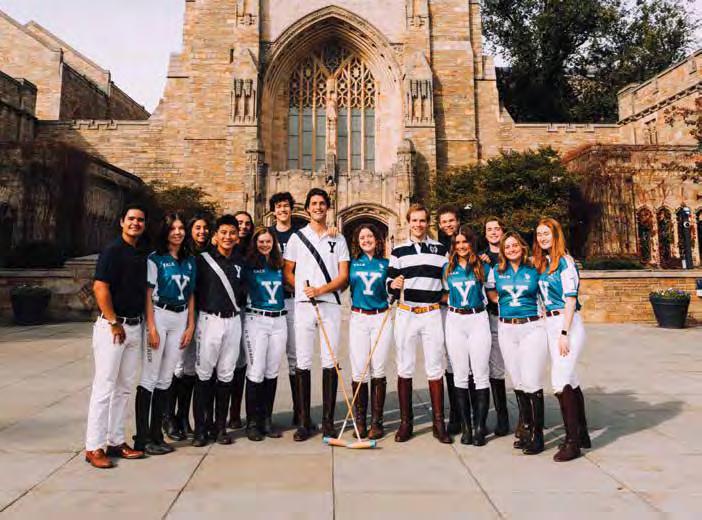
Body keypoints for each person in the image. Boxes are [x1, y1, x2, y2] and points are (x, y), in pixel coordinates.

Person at [84, 204, 148, 469]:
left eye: (140, 220)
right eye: (131, 219)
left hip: (134, 326)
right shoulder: (112, 250)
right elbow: (100, 287)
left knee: (124, 388)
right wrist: (113, 321)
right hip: (113, 327)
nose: (135, 223)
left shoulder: (140, 253)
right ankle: (94, 446)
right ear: (122, 221)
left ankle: (115, 440)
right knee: (104, 387)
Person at [283, 188, 350, 441]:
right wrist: (303, 290)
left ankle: (328, 421)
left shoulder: (338, 238)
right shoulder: (297, 237)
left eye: (322, 203)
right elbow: (288, 271)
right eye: (314, 203)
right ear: (307, 208)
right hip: (304, 305)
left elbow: (343, 276)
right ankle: (304, 422)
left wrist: (321, 290)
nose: (318, 207)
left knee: (329, 360)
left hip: (330, 304)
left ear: (328, 207)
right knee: (302, 360)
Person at [388, 203, 452, 444]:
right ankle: (406, 423)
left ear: (428, 222)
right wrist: (393, 285)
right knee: (405, 366)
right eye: (414, 220)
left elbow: (447, 284)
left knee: (435, 367)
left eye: (422, 220)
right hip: (406, 312)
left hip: (431, 313)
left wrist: (441, 297)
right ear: (408, 222)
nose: (418, 225)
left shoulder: (441, 250)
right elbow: (389, 282)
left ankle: (438, 423)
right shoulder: (398, 251)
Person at [135, 213, 196, 455]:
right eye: (173, 228)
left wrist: (190, 325)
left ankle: (157, 434)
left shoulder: (189, 260)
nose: (178, 232)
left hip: (180, 317)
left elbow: (191, 294)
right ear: (165, 231)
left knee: (166, 378)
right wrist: (151, 326)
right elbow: (148, 294)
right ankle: (142, 437)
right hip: (159, 314)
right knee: (149, 377)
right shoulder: (155, 258)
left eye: (181, 228)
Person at [485, 231, 548, 455]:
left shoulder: (534, 268)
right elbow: (491, 291)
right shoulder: (497, 270)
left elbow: (546, 292)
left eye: (514, 245)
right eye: (507, 246)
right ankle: (526, 426)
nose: (511, 249)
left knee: (532, 379)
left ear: (522, 247)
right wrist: (501, 302)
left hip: (531, 326)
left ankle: (538, 435)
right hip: (507, 327)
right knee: (518, 380)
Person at [534, 217, 591, 461]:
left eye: (547, 233)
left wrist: (564, 333)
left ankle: (572, 443)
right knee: (571, 378)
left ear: (556, 235)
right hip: (550, 322)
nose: (542, 238)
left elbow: (570, 299)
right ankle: (582, 433)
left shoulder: (566, 262)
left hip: (566, 323)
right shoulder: (544, 262)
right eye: (539, 234)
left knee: (560, 380)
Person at [192, 214, 246, 446]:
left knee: (226, 374)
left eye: (232, 233)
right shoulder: (202, 260)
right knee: (204, 375)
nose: (228, 237)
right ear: (215, 236)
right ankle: (201, 428)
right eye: (223, 232)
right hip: (209, 320)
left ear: (237, 237)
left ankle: (220, 426)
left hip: (233, 321)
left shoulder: (242, 261)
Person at [442, 226, 492, 446]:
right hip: (455, 320)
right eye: (457, 243)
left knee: (480, 374)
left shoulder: (483, 266)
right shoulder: (447, 268)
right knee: (460, 374)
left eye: (465, 242)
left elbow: (493, 294)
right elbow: (443, 294)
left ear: (472, 243)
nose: (461, 246)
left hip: (478, 318)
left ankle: (480, 427)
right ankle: (466, 427)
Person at [166, 214, 211, 441]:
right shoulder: (183, 254)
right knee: (177, 366)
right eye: (197, 228)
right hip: (183, 314)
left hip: (202, 315)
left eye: (205, 228)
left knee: (191, 368)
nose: (202, 231)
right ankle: (168, 417)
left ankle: (183, 416)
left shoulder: (209, 253)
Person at [242, 228, 287, 441]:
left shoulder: (279, 264)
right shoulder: (248, 265)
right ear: (255, 243)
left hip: (279, 319)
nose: (265, 245)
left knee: (272, 371)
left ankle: (266, 419)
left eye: (268, 241)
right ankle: (252, 422)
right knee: (256, 370)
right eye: (261, 241)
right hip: (257, 319)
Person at [348, 224, 392, 439]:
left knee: (378, 368)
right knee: (359, 370)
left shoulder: (386, 263)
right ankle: (360, 420)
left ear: (377, 239)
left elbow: (392, 287)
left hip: (380, 317)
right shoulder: (351, 263)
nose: (366, 240)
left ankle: (377, 422)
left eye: (370, 236)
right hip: (358, 317)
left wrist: (396, 284)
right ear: (357, 241)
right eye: (362, 237)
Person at [267, 192, 304, 427]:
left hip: (292, 300)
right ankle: (264, 416)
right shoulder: (266, 235)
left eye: (286, 206)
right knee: (268, 361)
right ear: (273, 211)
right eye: (279, 206)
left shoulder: (300, 235)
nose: (283, 210)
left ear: (292, 209)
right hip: (270, 302)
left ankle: (300, 412)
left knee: (295, 358)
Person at [479, 217, 510, 437]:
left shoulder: (513, 251)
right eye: (489, 229)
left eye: (497, 228)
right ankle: (502, 417)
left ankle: (526, 418)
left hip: (515, 317)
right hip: (492, 316)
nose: (493, 232)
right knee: (495, 369)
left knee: (518, 368)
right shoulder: (481, 257)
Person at [436, 204, 461, 435]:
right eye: (443, 222)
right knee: (451, 360)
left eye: (450, 220)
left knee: (470, 362)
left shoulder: (468, 242)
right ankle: (455, 412)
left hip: (469, 309)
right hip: (446, 308)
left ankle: (470, 412)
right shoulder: (437, 247)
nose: (447, 225)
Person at [228, 211, 254, 430]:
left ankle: (235, 412)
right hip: (223, 311)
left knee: (240, 362)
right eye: (239, 223)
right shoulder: (222, 248)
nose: (243, 227)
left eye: (247, 223)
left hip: (245, 309)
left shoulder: (252, 251)